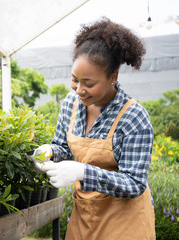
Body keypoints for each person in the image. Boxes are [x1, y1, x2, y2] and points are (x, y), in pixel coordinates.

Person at [30, 17, 156, 239]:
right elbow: (64, 147)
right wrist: (50, 151)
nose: (79, 90)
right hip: (85, 218)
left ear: (112, 77)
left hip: (126, 222)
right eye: (74, 80)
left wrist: (82, 172)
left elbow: (135, 183)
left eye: (88, 84)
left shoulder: (134, 117)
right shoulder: (71, 103)